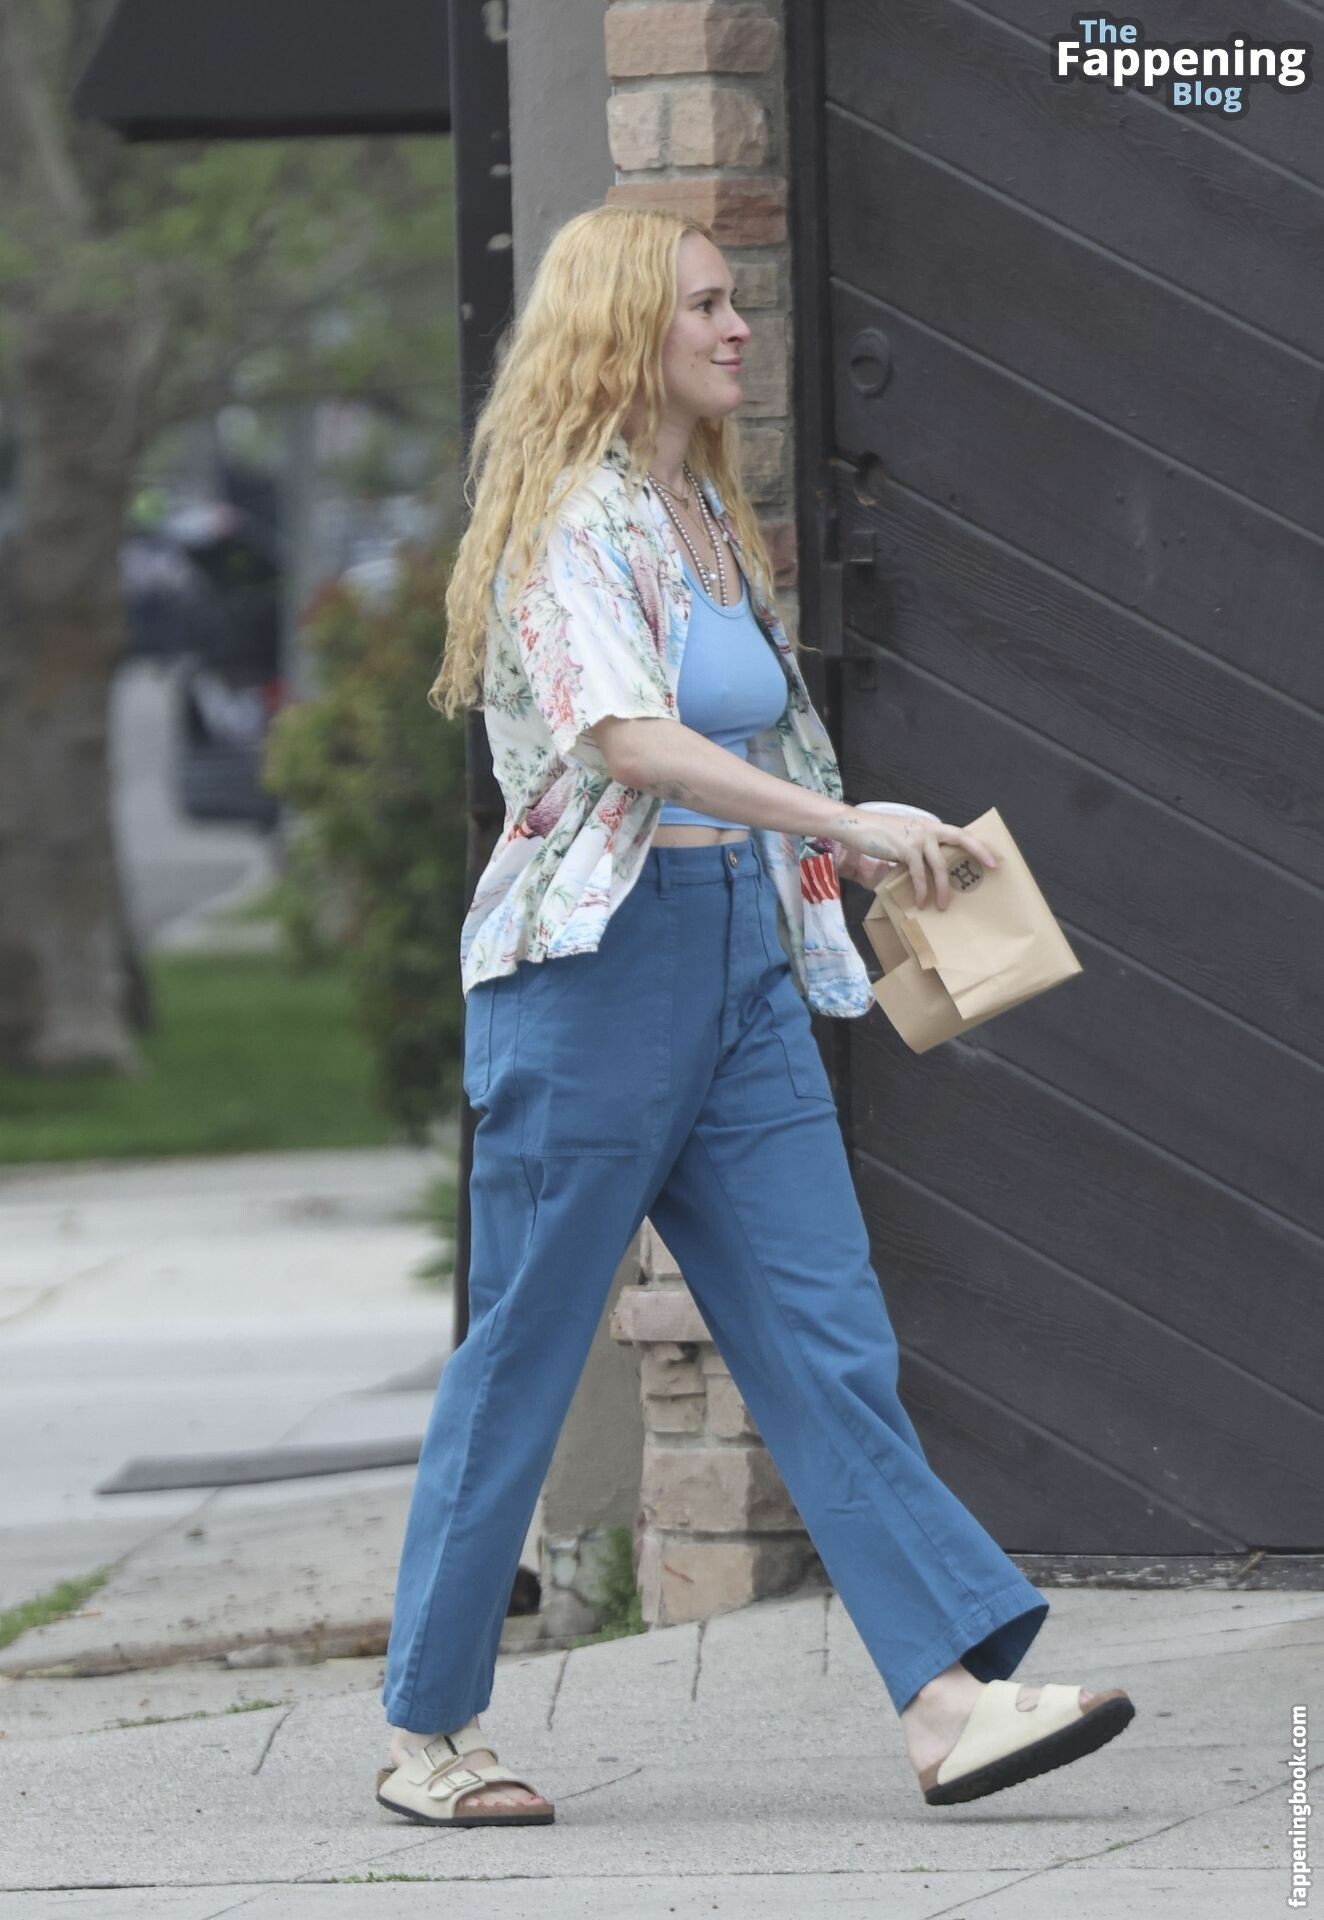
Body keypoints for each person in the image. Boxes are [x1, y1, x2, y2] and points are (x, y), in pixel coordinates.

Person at [374, 204, 1134, 1828]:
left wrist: (856, 842)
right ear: (622, 331)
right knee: (523, 1355)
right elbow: (627, 741)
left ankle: (945, 1705)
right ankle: (429, 1733)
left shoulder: (705, 514)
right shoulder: (570, 520)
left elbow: (752, 758)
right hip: (592, 982)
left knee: (823, 1330)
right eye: (707, 307)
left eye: (735, 302)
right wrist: (842, 822)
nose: (739, 328)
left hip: (738, 962)